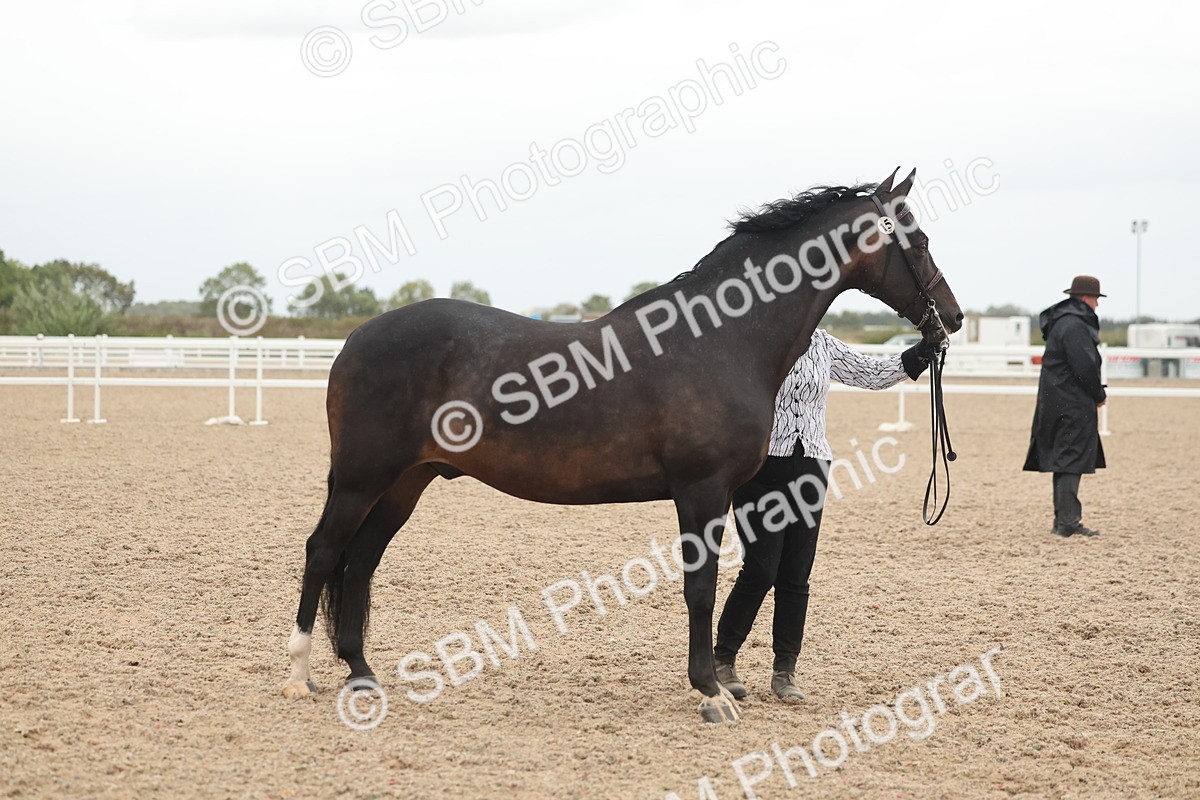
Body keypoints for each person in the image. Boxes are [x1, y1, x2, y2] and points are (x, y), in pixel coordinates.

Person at [713, 329, 935, 702]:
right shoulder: (755, 339)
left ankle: (785, 670)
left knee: (796, 575)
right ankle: (723, 658)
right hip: (759, 468)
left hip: (812, 464)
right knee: (760, 571)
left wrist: (924, 351)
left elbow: (872, 374)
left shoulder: (824, 343)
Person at [1023, 276, 1108, 538]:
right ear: (1085, 298)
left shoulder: (1064, 321)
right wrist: (1098, 393)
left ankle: (1063, 521)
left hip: (1058, 399)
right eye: (1095, 299)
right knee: (1071, 460)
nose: (1097, 304)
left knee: (1065, 459)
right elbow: (1083, 366)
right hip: (1072, 402)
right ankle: (1069, 523)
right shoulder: (1075, 325)